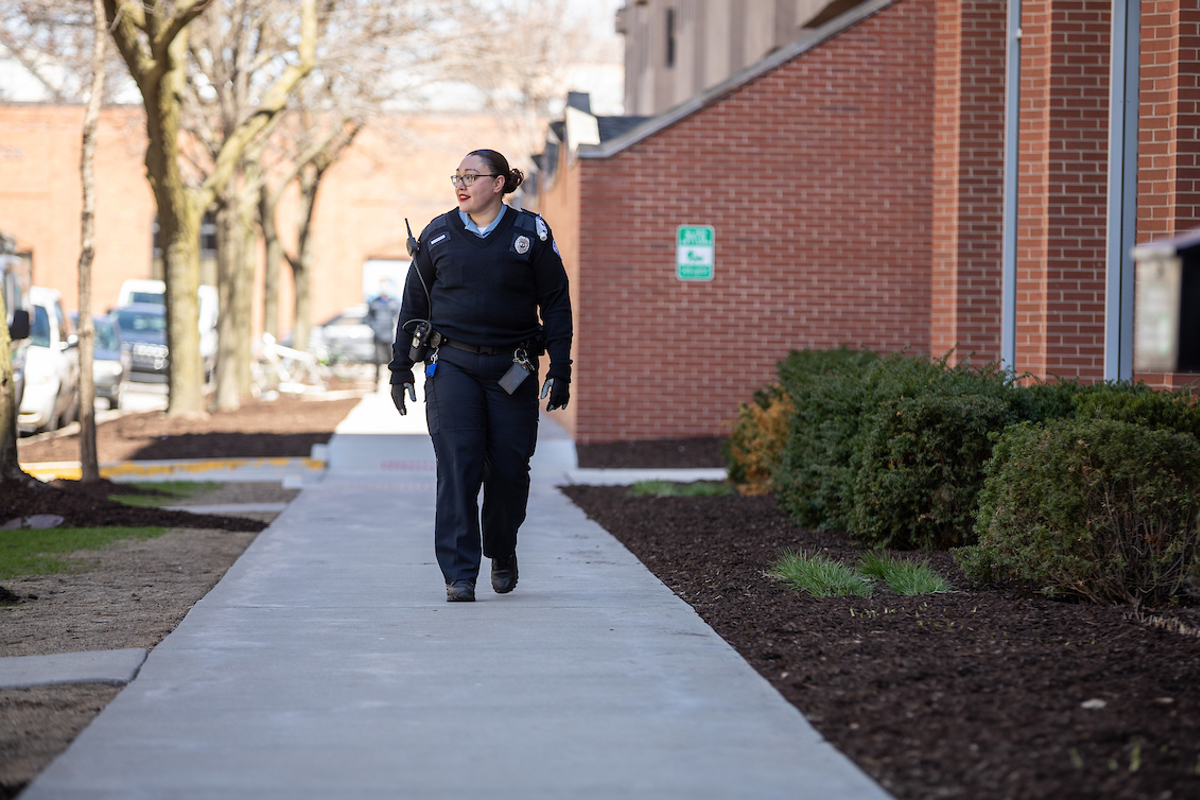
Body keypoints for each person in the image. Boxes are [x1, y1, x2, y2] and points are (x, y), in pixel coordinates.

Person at [388, 149, 573, 603]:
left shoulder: (531, 232)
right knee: (458, 465)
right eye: (457, 176)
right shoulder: (438, 234)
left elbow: (556, 302)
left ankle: (502, 547)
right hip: (452, 366)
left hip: (515, 366)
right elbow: (414, 306)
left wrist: (562, 367)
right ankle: (459, 573)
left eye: (472, 176)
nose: (461, 184)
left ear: (499, 183)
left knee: (510, 469)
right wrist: (399, 368)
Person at [367, 283, 400, 383]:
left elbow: (398, 318)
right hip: (378, 336)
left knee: (392, 360)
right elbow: (368, 318)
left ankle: (393, 381)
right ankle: (376, 382)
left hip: (390, 337)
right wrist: (374, 328)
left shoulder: (394, 303)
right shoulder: (375, 303)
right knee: (377, 360)